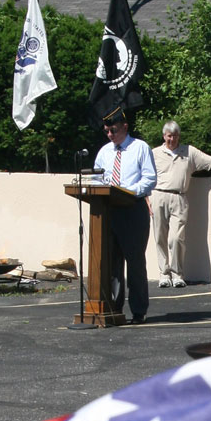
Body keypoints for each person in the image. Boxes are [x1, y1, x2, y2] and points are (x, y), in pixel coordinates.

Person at [151, 120, 211, 288]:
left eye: (175, 136)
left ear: (179, 137)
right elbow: (144, 177)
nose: (172, 139)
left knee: (176, 238)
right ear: (164, 136)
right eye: (169, 136)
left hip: (179, 197)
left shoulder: (189, 152)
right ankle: (164, 274)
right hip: (158, 196)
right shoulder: (154, 153)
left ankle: (177, 274)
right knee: (159, 238)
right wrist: (146, 199)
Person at [93, 106, 157, 324]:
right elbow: (97, 178)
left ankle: (139, 310)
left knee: (135, 262)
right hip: (109, 210)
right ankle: (114, 308)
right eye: (107, 131)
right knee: (112, 264)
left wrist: (129, 192)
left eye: (114, 130)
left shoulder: (140, 148)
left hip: (133, 209)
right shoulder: (104, 152)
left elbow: (149, 178)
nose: (110, 135)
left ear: (125, 127)